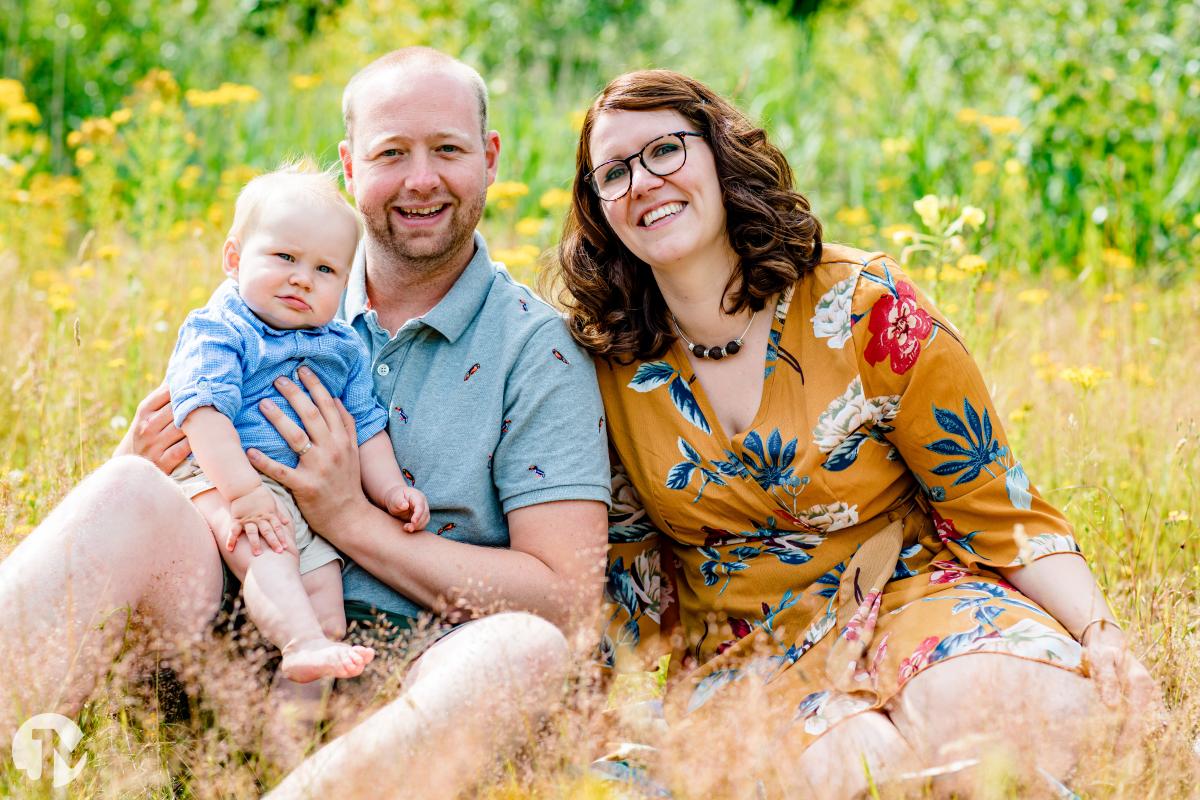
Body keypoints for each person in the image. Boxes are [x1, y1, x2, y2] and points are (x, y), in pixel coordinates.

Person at [0, 48, 609, 798]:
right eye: (392, 153)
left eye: (447, 150)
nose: (421, 179)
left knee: (525, 647)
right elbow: (191, 466)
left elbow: (568, 603)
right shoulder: (276, 290)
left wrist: (349, 517)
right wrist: (145, 464)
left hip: (413, 698)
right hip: (231, 647)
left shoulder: (536, 350)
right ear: (351, 169)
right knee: (124, 487)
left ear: (487, 159)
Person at [551, 69, 1160, 796]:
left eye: (664, 151)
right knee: (862, 772)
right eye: (612, 173)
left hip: (915, 594)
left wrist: (1101, 632)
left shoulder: (867, 307)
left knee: (1002, 725)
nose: (642, 182)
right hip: (749, 656)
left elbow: (997, 507)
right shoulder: (604, 367)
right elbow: (618, 582)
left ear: (718, 154)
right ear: (598, 209)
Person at [166, 161, 431, 684]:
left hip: (297, 503)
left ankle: (295, 743)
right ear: (234, 258)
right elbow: (204, 413)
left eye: (325, 270)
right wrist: (243, 495)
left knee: (329, 610)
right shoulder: (223, 327)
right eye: (284, 257)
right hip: (220, 479)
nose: (301, 279)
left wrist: (392, 490)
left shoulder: (341, 347)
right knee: (269, 553)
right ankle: (299, 641)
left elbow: (366, 428)